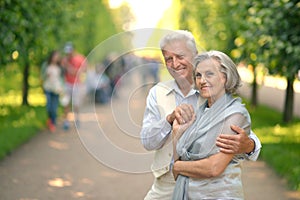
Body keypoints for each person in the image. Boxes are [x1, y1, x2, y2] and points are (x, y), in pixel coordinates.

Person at [140, 30, 261, 199]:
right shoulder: (157, 93)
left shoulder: (212, 93)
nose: (175, 64)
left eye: (180, 56)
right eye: (168, 58)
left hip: (207, 186)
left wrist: (249, 145)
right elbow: (147, 141)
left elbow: (243, 133)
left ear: (195, 55)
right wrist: (169, 120)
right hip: (166, 184)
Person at [172, 50, 253, 199]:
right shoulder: (199, 113)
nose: (202, 80)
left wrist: (177, 166)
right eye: (198, 75)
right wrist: (177, 133)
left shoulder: (235, 115)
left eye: (209, 74)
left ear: (224, 77)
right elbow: (177, 171)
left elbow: (214, 167)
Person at [61, 42, 87, 130]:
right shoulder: (64, 60)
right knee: (66, 103)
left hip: (77, 85)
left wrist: (69, 67)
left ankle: (77, 119)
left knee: (76, 104)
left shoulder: (80, 58)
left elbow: (78, 72)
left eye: (70, 51)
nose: (68, 54)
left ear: (73, 50)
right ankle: (66, 122)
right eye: (67, 52)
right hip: (67, 84)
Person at [42, 50, 64, 132]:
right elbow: (42, 76)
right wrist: (46, 75)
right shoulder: (46, 65)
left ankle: (52, 123)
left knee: (54, 108)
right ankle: (50, 120)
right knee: (48, 107)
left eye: (57, 57)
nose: (56, 58)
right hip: (48, 88)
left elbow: (61, 79)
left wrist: (62, 88)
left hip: (56, 89)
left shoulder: (59, 67)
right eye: (55, 56)